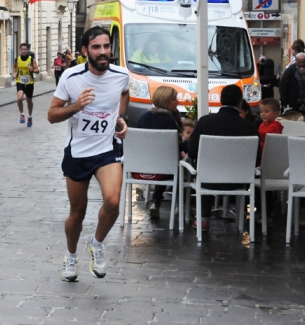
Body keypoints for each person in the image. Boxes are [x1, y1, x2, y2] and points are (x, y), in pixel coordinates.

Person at [47, 26, 129, 282]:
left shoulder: (121, 75)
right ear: (85, 51)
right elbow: (51, 115)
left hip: (106, 150)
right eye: (97, 47)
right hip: (79, 152)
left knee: (113, 202)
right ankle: (71, 256)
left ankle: (97, 243)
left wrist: (121, 118)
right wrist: (75, 106)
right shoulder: (71, 77)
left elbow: (124, 94)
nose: (103, 52)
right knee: (77, 213)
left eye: (106, 47)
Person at [187, 85, 259, 229]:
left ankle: (203, 217)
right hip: (239, 180)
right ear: (240, 103)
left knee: (204, 166)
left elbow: (192, 152)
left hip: (208, 179)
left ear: (220, 100)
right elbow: (256, 159)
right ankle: (241, 216)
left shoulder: (205, 122)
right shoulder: (249, 127)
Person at [137, 86, 182, 220]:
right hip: (164, 168)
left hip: (141, 166)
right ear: (165, 101)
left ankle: (156, 203)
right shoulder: (170, 120)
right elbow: (175, 147)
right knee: (179, 165)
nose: (177, 102)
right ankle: (179, 205)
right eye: (174, 99)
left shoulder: (143, 117)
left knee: (162, 162)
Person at [14, 43, 39, 127]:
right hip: (20, 81)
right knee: (19, 98)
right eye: (22, 49)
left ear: (28, 50)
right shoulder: (17, 59)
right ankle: (22, 114)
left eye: (25, 49)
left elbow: (37, 70)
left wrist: (32, 70)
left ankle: (30, 116)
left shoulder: (31, 59)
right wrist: (14, 74)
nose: (23, 51)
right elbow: (14, 68)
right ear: (20, 50)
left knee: (29, 101)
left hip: (29, 82)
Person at [257, 98, 283, 165]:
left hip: (268, 153)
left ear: (275, 113)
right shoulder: (262, 124)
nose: (263, 114)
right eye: (261, 111)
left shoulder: (275, 126)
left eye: (266, 111)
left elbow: (274, 143)